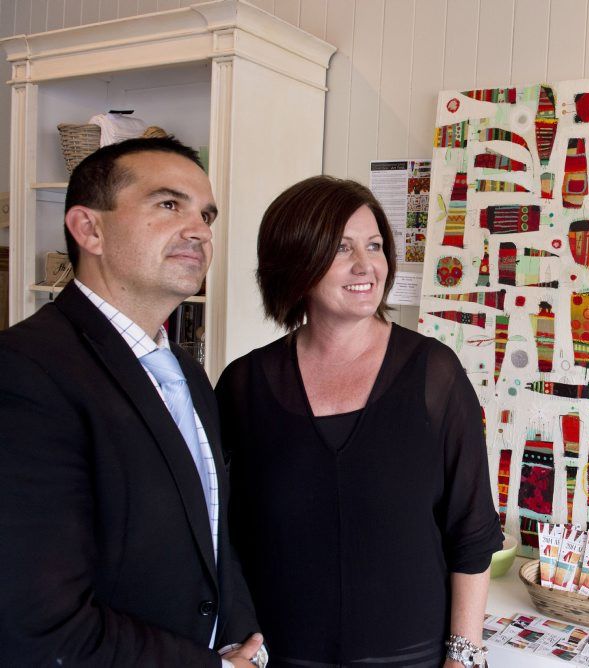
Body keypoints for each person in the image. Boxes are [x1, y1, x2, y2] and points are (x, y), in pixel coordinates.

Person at [216, 175, 503, 667]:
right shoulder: (244, 385)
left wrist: (464, 655)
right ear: (296, 259)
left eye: (374, 245)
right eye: (341, 248)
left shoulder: (434, 374)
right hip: (278, 655)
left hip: (412, 656)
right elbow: (223, 534)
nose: (365, 265)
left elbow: (471, 531)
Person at [0, 137, 265, 667]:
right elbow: (37, 624)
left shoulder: (186, 373)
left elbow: (210, 533)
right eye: (168, 205)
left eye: (206, 215)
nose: (199, 231)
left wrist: (240, 640)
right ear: (89, 228)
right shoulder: (25, 372)